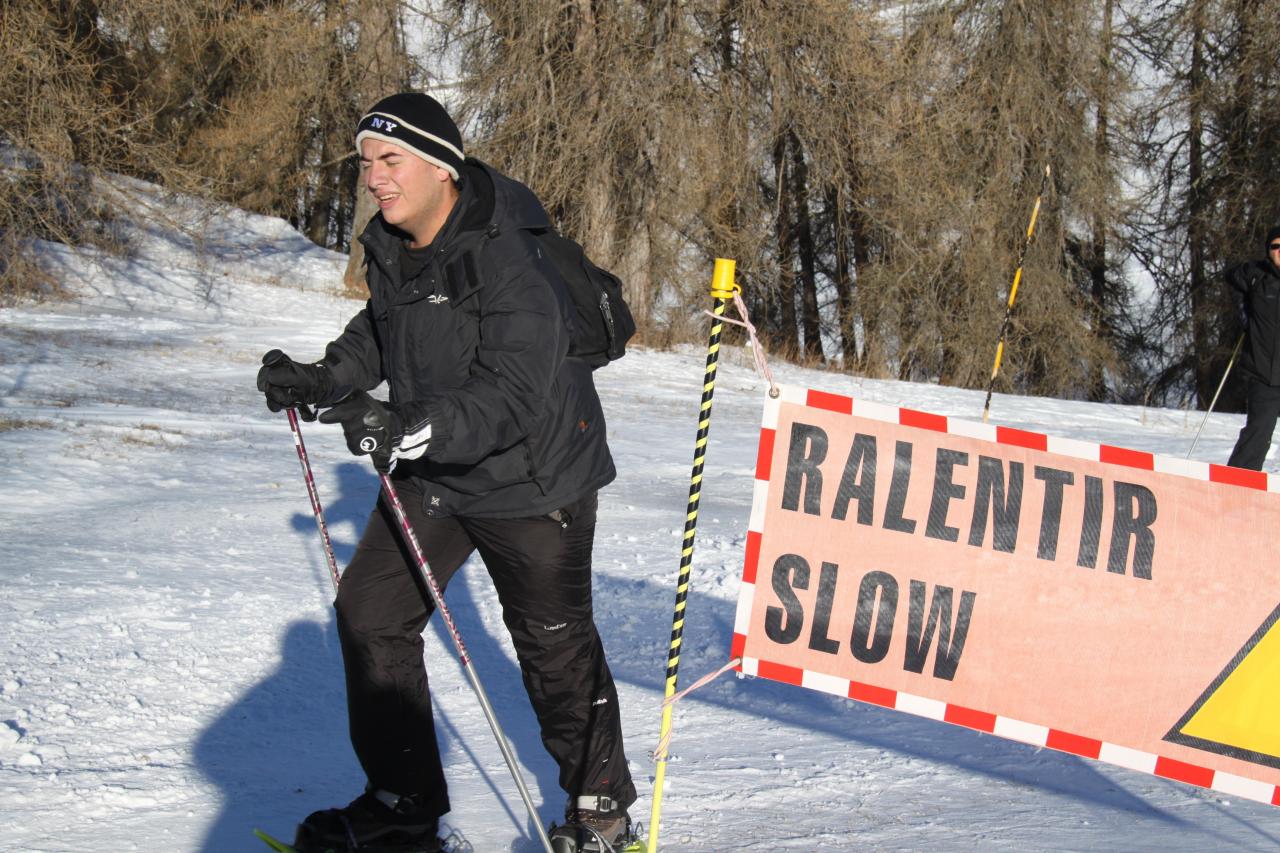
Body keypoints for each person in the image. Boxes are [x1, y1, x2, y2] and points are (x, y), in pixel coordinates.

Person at [257, 92, 637, 853]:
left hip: (533, 477)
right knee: (370, 615)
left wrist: (404, 426)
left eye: (390, 160)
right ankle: (403, 801)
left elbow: (512, 392)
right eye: (367, 162)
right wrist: (324, 377)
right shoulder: (396, 241)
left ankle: (601, 813)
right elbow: (385, 328)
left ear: (441, 168)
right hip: (435, 469)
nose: (374, 178)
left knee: (552, 643)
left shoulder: (508, 256)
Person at [1227, 225, 1280, 471]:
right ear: (1268, 250)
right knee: (1259, 430)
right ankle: (1238, 483)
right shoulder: (1257, 275)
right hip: (1264, 373)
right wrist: (1243, 311)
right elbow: (1231, 276)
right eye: (1275, 246)